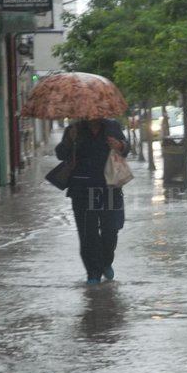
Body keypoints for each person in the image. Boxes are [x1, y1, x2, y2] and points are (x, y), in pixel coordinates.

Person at [55, 118, 130, 285]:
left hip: (109, 188)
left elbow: (126, 148)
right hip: (82, 190)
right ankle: (93, 273)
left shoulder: (112, 126)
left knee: (111, 230)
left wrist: (119, 146)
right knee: (88, 234)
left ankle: (105, 261)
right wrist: (69, 140)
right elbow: (60, 153)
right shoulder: (74, 129)